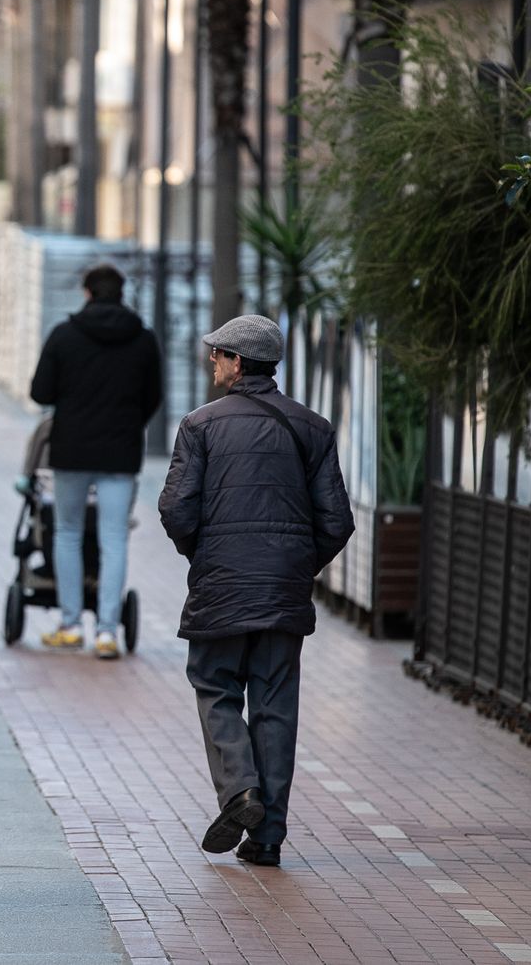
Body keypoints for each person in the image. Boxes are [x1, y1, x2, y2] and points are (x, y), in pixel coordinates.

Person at [157, 314, 353, 867]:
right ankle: (267, 838)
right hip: (284, 593)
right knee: (275, 706)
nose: (211, 362)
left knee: (215, 685)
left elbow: (175, 507)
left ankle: (240, 788)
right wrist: (295, 565)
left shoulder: (201, 425)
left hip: (221, 586)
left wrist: (205, 554)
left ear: (238, 363)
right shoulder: (313, 427)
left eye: (218, 354)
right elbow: (336, 520)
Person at [28, 264, 163, 658]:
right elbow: (153, 397)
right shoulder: (143, 340)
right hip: (121, 452)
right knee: (114, 538)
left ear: (87, 293)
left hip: (71, 450)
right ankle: (107, 632)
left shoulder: (64, 335)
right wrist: (127, 422)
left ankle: (70, 625)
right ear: (121, 294)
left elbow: (40, 392)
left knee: (67, 532)